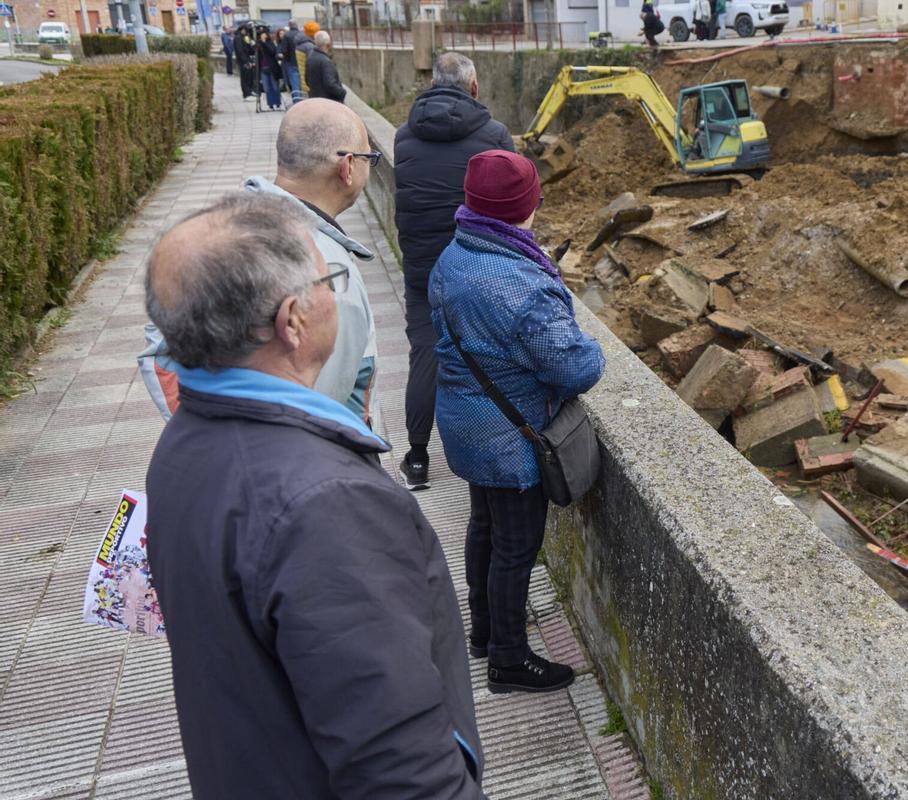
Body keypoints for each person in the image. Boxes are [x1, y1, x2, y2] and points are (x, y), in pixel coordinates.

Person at [144, 193, 485, 799]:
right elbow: (403, 769)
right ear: (293, 321)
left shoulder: (186, 441)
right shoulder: (326, 504)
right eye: (329, 280)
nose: (336, 293)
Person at [428, 150, 605, 693]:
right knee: (515, 547)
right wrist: (594, 345)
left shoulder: (455, 253)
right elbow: (576, 368)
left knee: (484, 526)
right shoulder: (522, 285)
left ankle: (483, 631)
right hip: (511, 439)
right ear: (525, 205)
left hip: (464, 421)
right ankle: (507, 659)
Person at [138, 99, 380, 428]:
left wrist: (203, 428)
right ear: (348, 167)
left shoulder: (224, 230)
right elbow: (331, 407)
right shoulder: (330, 276)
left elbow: (162, 350)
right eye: (370, 158)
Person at [392, 52, 514, 492]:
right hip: (477, 261)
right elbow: (512, 201)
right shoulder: (495, 134)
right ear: (474, 87)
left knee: (426, 353)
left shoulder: (404, 136)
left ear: (432, 84)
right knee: (486, 353)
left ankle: (418, 459)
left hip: (422, 265)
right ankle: (486, 454)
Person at [306, 30, 346, 103]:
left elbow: (307, 80)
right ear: (328, 44)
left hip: (315, 99)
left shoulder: (310, 57)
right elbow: (330, 84)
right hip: (328, 101)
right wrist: (342, 92)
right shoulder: (326, 62)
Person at [281, 18, 309, 103]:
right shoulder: (302, 34)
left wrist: (286, 59)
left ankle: (297, 101)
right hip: (302, 61)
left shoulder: (286, 35)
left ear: (289, 26)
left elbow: (284, 50)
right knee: (304, 81)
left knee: (295, 83)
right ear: (297, 25)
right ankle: (306, 99)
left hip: (291, 62)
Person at [256, 27, 282, 110]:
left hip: (271, 68)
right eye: (261, 34)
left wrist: (264, 43)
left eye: (264, 34)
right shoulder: (258, 44)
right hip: (263, 68)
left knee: (275, 86)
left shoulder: (269, 43)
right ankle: (270, 104)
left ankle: (277, 103)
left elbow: (272, 51)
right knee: (267, 88)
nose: (263, 36)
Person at [233, 22, 255, 99]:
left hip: (247, 59)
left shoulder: (244, 37)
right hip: (243, 61)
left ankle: (250, 91)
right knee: (245, 77)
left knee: (249, 77)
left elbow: (249, 49)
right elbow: (240, 51)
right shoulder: (238, 38)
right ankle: (246, 94)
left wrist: (250, 44)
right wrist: (246, 61)